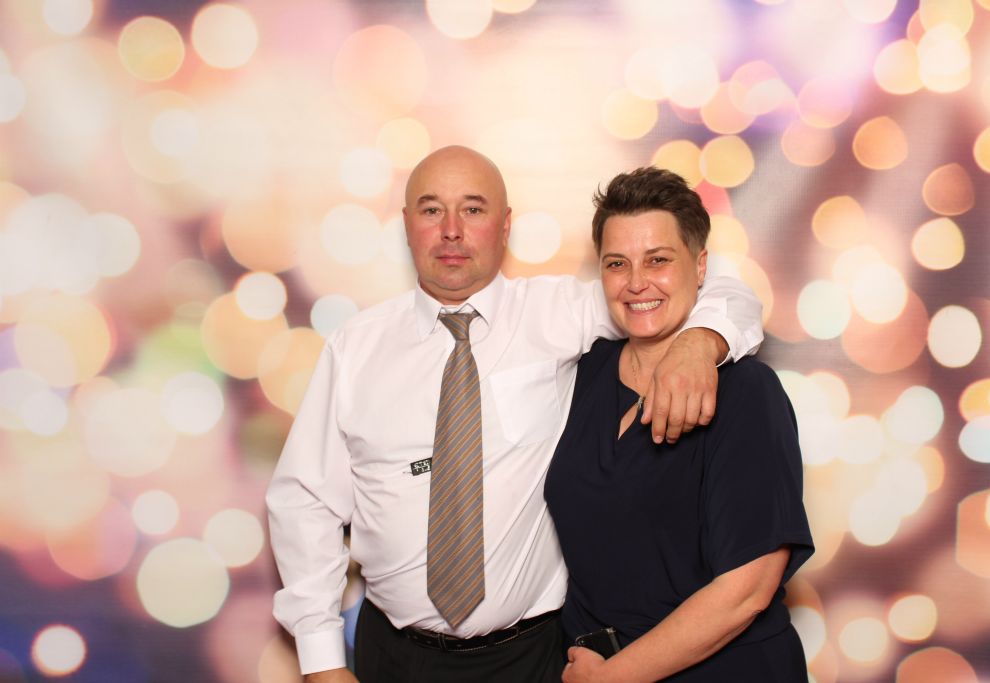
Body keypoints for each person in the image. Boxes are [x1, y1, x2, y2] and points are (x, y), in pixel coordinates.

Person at [266, 146, 765, 683]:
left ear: (505, 225)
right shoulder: (355, 348)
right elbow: (306, 501)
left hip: (529, 658)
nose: (451, 230)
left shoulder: (561, 313)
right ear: (407, 224)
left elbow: (713, 290)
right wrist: (321, 663)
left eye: (473, 209)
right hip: (392, 655)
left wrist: (699, 342)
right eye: (432, 210)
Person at [545, 166, 814, 683]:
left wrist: (612, 678)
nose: (636, 282)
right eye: (617, 263)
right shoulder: (584, 373)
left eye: (659, 260)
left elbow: (747, 590)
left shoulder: (747, 392)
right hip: (593, 663)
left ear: (700, 266)